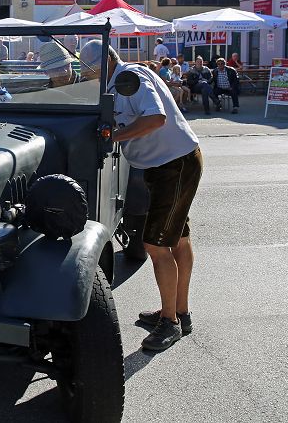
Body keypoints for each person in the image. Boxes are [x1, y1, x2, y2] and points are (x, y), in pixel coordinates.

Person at [80, 40, 202, 352]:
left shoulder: (130, 79)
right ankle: (178, 312)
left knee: (156, 244)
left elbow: (155, 118)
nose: (91, 77)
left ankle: (170, 324)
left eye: (91, 71)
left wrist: (113, 137)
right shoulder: (116, 83)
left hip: (173, 163)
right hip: (166, 163)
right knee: (178, 239)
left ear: (108, 61)